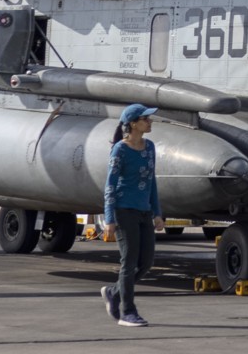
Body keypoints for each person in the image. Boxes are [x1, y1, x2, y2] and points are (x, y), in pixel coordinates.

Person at [100, 103, 166, 328]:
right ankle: (127, 312)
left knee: (146, 262)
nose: (150, 122)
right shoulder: (120, 149)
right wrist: (109, 219)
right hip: (123, 211)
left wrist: (157, 212)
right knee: (129, 262)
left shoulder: (149, 147)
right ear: (134, 124)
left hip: (144, 211)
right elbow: (110, 185)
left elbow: (151, 181)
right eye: (146, 119)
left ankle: (113, 292)